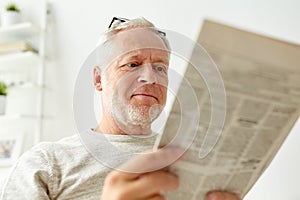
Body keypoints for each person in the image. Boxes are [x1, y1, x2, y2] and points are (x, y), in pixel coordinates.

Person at [1, 17, 240, 200]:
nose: (150, 78)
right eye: (132, 64)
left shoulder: (196, 161)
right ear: (98, 79)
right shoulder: (46, 163)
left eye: (160, 68)